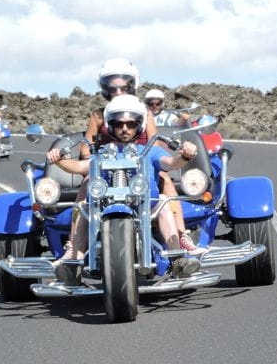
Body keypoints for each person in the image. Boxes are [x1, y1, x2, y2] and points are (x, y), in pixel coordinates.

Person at [46, 94, 201, 281]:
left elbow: (170, 162)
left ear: (139, 125)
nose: (125, 129)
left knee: (163, 202)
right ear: (111, 126)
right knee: (85, 206)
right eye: (119, 124)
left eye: (131, 124)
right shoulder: (102, 152)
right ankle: (74, 264)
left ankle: (177, 258)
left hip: (147, 205)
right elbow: (79, 167)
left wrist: (185, 156)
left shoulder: (150, 150)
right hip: (105, 205)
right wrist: (59, 159)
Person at [57, 59, 201, 254]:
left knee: (164, 178)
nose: (118, 92)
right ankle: (73, 244)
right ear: (104, 88)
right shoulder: (99, 115)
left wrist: (143, 157)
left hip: (140, 165)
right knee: (88, 182)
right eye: (113, 88)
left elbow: (154, 141)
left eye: (123, 87)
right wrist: (98, 155)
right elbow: (86, 146)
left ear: (133, 86)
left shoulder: (144, 112)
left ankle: (181, 235)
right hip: (107, 164)